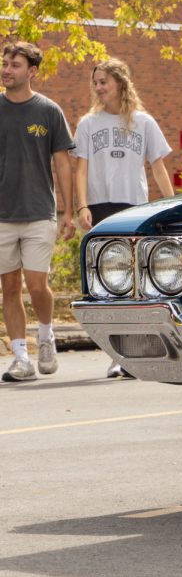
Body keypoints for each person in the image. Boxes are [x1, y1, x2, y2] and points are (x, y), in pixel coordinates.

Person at [72, 58, 174, 378]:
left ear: (120, 82)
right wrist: (82, 206)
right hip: (101, 207)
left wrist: (171, 204)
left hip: (134, 207)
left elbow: (157, 166)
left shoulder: (143, 122)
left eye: (104, 81)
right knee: (108, 283)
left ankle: (135, 352)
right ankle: (118, 355)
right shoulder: (89, 124)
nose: (99, 88)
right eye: (96, 82)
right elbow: (81, 168)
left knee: (135, 282)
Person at [0, 41, 74, 382]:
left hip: (39, 211)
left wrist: (68, 212)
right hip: (2, 214)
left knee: (36, 284)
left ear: (31, 71)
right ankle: (20, 357)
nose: (6, 69)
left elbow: (62, 163)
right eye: (5, 63)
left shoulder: (49, 111)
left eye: (14, 64)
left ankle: (46, 337)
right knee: (10, 286)